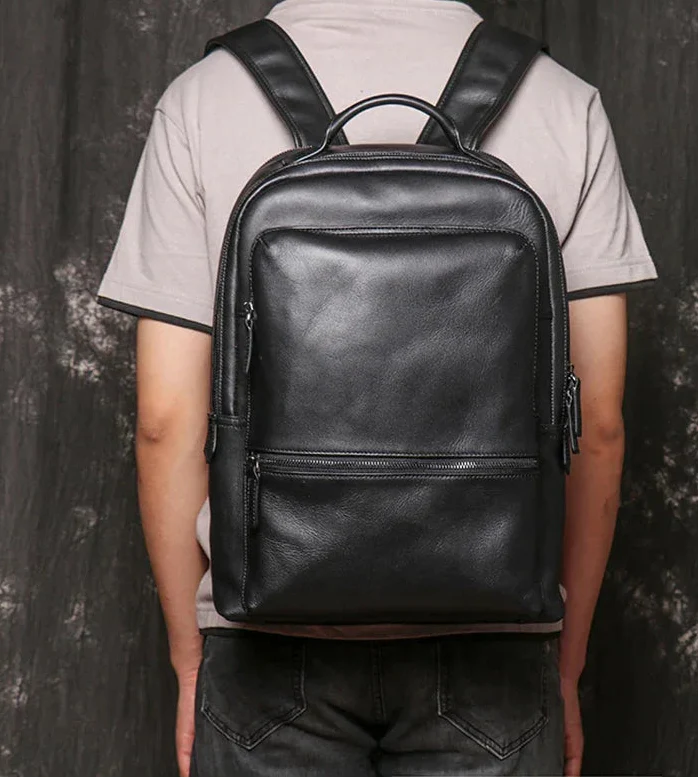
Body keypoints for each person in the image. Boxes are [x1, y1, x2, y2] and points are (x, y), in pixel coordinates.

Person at [96, 0, 657, 775]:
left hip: (266, 641)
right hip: (495, 640)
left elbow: (165, 419)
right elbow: (596, 422)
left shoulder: (204, 97)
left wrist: (191, 661)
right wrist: (564, 667)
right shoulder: (562, 99)